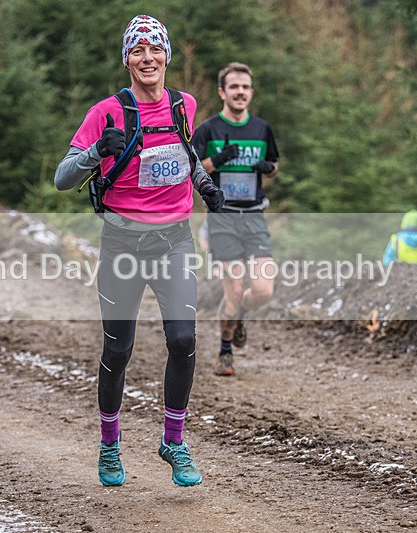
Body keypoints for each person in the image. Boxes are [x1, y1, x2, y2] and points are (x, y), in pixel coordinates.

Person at [53, 14, 224, 487]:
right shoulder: (105, 112)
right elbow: (62, 178)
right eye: (137, 50)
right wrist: (92, 153)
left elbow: (182, 153)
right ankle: (110, 446)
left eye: (155, 49)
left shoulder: (183, 104)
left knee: (184, 340)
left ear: (166, 56)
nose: (147, 58)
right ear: (126, 58)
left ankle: (174, 442)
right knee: (118, 348)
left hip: (174, 240)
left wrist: (205, 186)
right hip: (123, 243)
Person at [191, 62, 279, 377]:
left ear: (251, 92)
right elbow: (193, 169)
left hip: (254, 217)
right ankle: (225, 351)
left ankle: (237, 313)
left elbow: (274, 165)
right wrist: (218, 160)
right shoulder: (209, 129)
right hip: (223, 218)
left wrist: (266, 168)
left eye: (245, 87)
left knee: (264, 290)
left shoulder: (262, 129)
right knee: (234, 285)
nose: (240, 92)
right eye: (234, 87)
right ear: (222, 92)